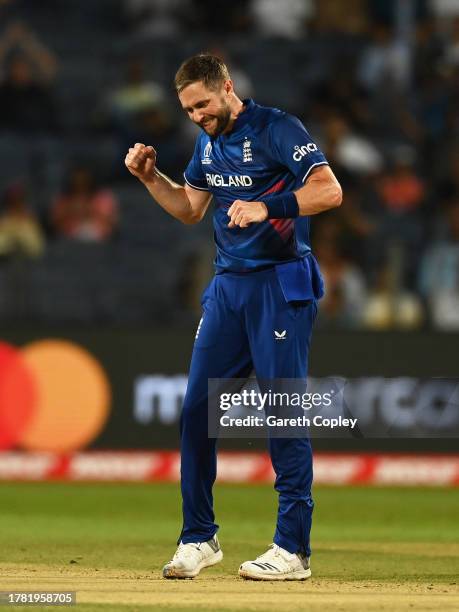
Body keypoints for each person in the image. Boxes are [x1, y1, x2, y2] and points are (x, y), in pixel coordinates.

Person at [125, 53, 342, 581]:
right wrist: (153, 179)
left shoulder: (276, 128)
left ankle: (293, 550)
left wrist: (270, 207)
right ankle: (198, 537)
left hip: (279, 284)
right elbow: (190, 209)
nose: (197, 116)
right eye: (188, 109)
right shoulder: (208, 142)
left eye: (202, 104)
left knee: (282, 412)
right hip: (227, 289)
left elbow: (329, 191)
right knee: (197, 410)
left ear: (226, 87)